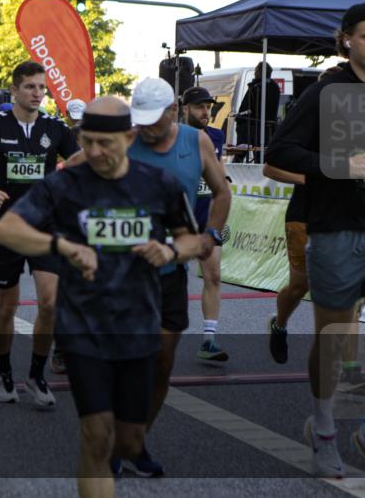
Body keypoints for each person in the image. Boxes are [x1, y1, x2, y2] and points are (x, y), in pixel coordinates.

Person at [0, 97, 201, 498]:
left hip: (139, 324)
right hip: (83, 324)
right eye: (87, 142)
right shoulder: (65, 183)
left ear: (130, 136)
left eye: (105, 143)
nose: (94, 152)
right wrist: (64, 247)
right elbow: (7, 229)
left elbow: (192, 237)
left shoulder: (158, 184)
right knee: (97, 435)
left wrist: (172, 251)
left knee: (128, 440)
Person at [265, 3, 365, 480]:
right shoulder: (325, 93)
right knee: (333, 344)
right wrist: (340, 166)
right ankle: (322, 429)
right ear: (347, 40)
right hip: (336, 234)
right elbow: (277, 156)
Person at [0, 60, 80, 407]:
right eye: (30, 87)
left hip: (45, 225)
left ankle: (37, 375)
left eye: (42, 87)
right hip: (5, 226)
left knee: (50, 302)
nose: (38, 93)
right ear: (15, 90)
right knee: (7, 306)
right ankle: (4, 370)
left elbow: (83, 161)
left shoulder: (56, 128)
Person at [124, 77, 231, 476]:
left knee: (163, 362)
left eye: (153, 119)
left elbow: (222, 191)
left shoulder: (196, 141)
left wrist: (210, 234)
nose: (145, 128)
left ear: (173, 112)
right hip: (125, 271)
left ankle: (135, 443)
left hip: (172, 269)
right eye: (140, 119)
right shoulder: (123, 139)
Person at [181, 86, 229, 363]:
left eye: (208, 107)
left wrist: (222, 179)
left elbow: (218, 166)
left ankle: (209, 340)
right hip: (178, 220)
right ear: (185, 109)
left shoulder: (217, 135)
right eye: (200, 107)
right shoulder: (174, 137)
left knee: (213, 276)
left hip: (206, 218)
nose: (205, 112)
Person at [236, 61, 281, 161]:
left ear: (259, 72)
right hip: (266, 129)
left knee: (240, 155)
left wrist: (239, 119)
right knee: (260, 158)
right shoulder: (275, 87)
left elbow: (246, 106)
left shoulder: (256, 86)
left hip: (251, 127)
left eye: (256, 71)